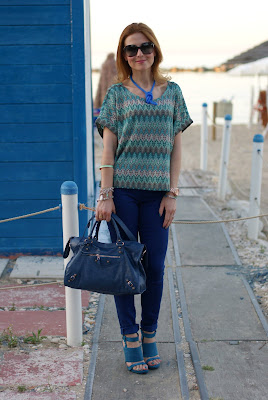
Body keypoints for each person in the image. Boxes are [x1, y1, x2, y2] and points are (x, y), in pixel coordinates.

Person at [95, 22, 193, 374]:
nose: (139, 54)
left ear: (155, 50)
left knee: (154, 267)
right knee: (124, 268)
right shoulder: (117, 95)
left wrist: (172, 191)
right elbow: (108, 149)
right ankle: (129, 338)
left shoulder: (174, 92)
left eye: (145, 47)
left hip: (157, 198)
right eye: (131, 49)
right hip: (123, 194)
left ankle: (149, 333)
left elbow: (177, 148)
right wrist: (105, 194)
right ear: (124, 55)